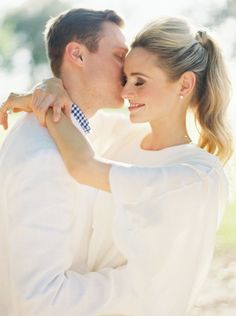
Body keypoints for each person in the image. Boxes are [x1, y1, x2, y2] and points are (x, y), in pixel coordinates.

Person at [0, 14, 233, 316]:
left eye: (139, 81)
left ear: (185, 84)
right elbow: (81, 120)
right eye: (126, 74)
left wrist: (45, 98)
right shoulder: (124, 137)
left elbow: (84, 164)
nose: (125, 90)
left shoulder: (196, 177)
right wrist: (48, 87)